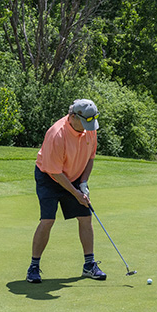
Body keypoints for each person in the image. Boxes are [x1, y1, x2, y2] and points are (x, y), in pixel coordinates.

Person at [26, 99, 106, 283]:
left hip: (75, 175)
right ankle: (34, 267)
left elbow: (90, 157)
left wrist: (83, 183)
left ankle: (89, 265)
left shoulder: (90, 129)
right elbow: (55, 172)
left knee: (86, 217)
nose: (88, 127)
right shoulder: (57, 134)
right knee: (47, 220)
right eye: (85, 122)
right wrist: (75, 193)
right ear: (72, 117)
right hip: (50, 176)